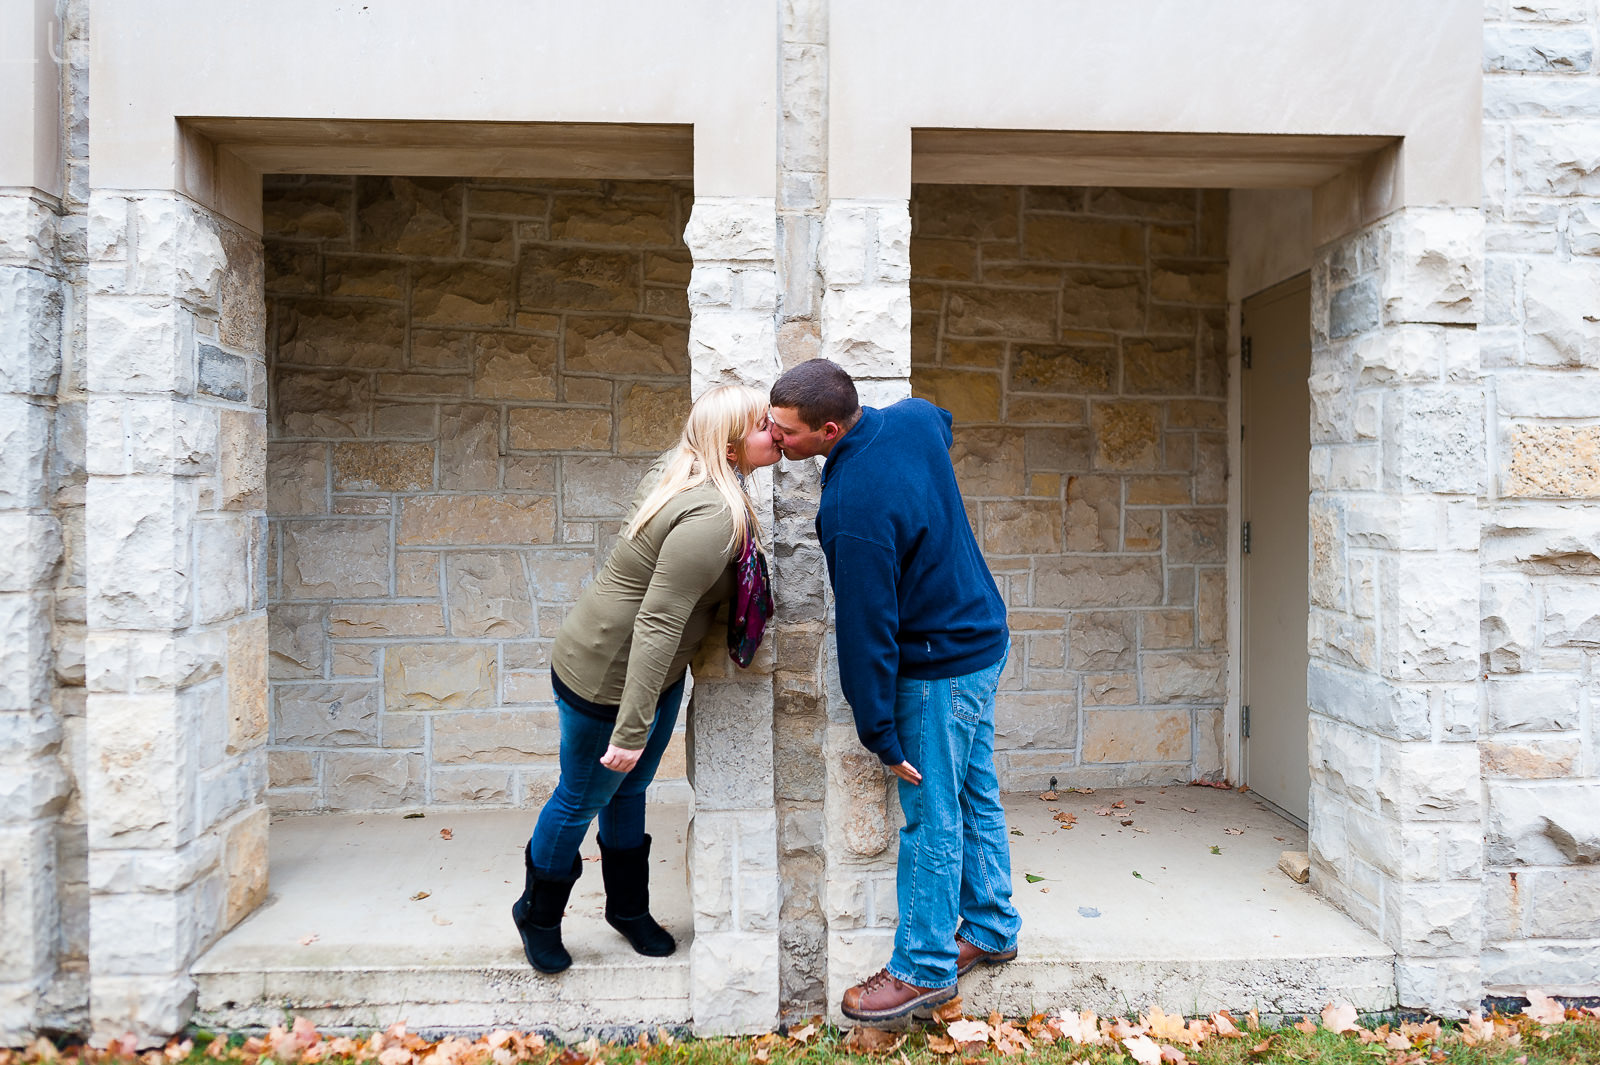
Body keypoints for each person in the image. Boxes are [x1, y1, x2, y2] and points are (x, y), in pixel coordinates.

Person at [768, 359, 1019, 1022]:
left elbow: (865, 626)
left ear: (827, 428)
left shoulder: (851, 503)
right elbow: (942, 421)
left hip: (940, 665)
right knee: (972, 788)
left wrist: (878, 731)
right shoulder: (909, 420)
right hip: (984, 636)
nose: (777, 439)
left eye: (787, 432)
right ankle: (991, 923)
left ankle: (922, 968)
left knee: (932, 812)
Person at [511, 384, 780, 974]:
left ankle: (627, 909)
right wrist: (631, 730)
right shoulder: (711, 513)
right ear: (731, 444)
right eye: (764, 425)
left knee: (628, 791)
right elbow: (659, 621)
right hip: (608, 678)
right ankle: (537, 913)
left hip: (648, 676)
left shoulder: (694, 474)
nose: (777, 434)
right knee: (581, 796)